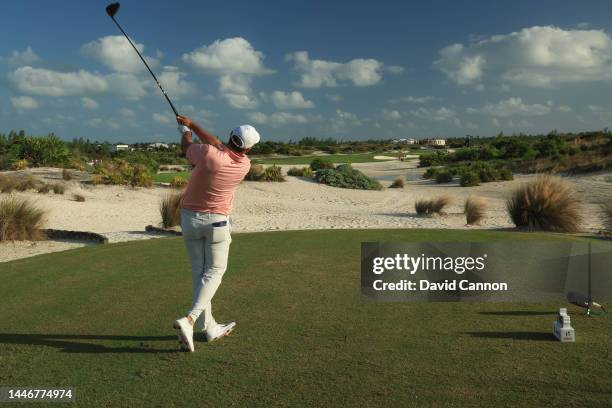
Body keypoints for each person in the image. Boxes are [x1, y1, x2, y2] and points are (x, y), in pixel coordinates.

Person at [173, 114, 260, 352]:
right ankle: (190, 320)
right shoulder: (244, 165)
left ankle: (209, 327)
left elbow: (187, 147)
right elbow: (217, 145)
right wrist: (190, 125)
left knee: (200, 273)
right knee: (215, 271)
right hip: (217, 223)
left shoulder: (208, 154)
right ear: (249, 149)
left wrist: (185, 131)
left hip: (190, 220)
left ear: (230, 136)